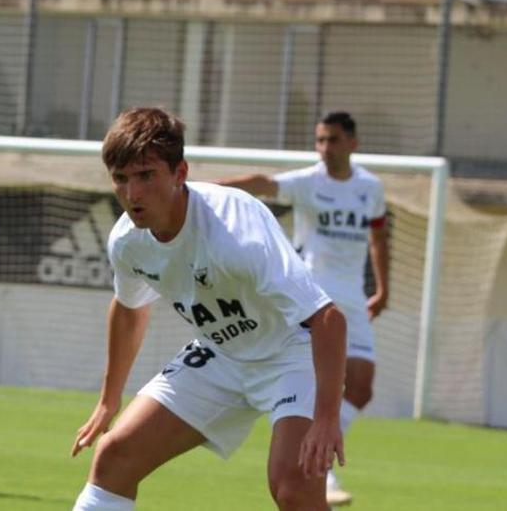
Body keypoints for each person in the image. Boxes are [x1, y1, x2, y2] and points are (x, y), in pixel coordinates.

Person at [70, 107, 348, 511]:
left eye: (146, 176)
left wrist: (325, 418)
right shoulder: (127, 242)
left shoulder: (235, 232)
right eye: (121, 179)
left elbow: (327, 319)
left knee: (293, 488)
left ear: (180, 173)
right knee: (114, 457)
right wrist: (109, 400)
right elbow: (130, 309)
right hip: (222, 353)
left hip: (291, 352)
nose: (133, 194)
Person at [217, 111, 389, 507]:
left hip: (352, 295)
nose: (325, 148)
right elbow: (262, 184)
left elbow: (379, 237)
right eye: (320, 140)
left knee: (362, 385)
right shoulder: (308, 181)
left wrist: (383, 288)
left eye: (332, 140)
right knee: (315, 382)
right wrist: (202, 191)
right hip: (313, 294)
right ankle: (317, 466)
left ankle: (316, 449)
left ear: (353, 143)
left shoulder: (370, 188)